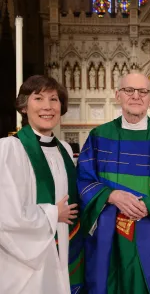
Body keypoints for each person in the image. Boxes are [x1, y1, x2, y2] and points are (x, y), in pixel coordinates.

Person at [77, 73, 150, 294]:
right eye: (129, 90)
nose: (136, 96)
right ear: (117, 95)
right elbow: (83, 179)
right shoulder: (99, 136)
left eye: (143, 92)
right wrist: (112, 196)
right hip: (108, 237)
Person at [0, 75, 83, 294]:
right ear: (24, 106)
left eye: (54, 99)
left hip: (62, 247)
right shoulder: (8, 149)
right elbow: (5, 214)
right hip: (24, 262)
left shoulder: (63, 149)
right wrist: (53, 213)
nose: (48, 107)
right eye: (38, 98)